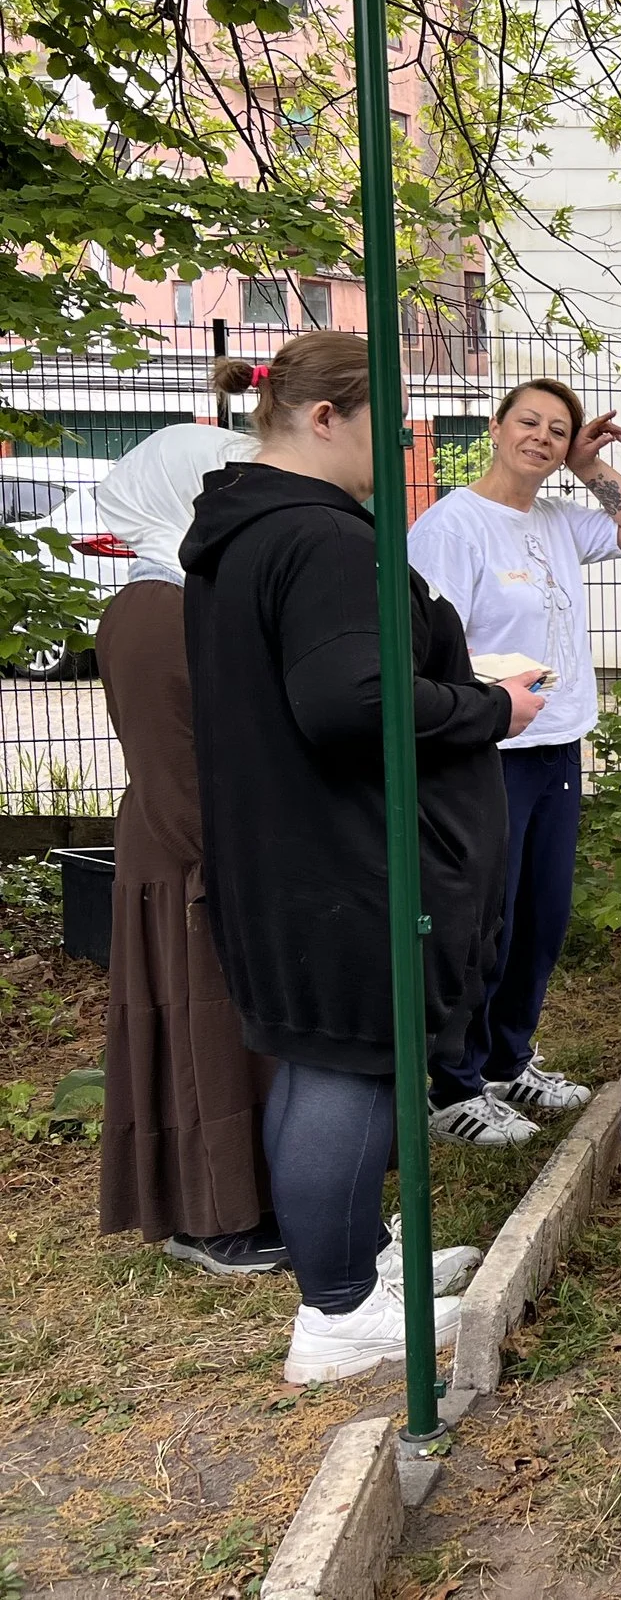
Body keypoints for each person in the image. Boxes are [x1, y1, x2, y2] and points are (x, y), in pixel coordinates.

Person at [184, 332, 532, 1384]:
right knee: (353, 1062)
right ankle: (336, 1312)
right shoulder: (323, 540)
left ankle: (360, 1260)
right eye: (390, 418)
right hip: (344, 859)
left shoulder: (251, 529)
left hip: (291, 847)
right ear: (325, 417)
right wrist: (489, 705)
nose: (406, 441)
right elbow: (350, 702)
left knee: (325, 1057)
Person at [410, 378, 621, 1147]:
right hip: (489, 748)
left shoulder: (558, 519)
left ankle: (505, 1059)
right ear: (495, 427)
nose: (542, 438)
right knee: (482, 919)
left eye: (559, 430)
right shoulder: (452, 526)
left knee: (540, 915)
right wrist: (490, 700)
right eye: (529, 421)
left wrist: (592, 468)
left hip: (557, 741)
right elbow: (435, 645)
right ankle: (451, 1085)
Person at [93, 412, 278, 1272]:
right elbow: (180, 761)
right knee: (206, 1040)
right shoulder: (157, 610)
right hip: (192, 859)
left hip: (195, 849)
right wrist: (228, 865)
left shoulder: (170, 597)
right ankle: (219, 1222)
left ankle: (235, 1206)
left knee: (223, 1038)